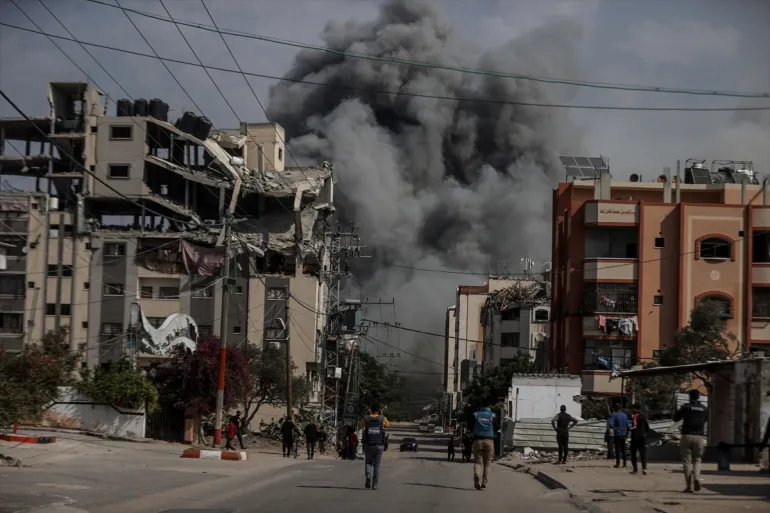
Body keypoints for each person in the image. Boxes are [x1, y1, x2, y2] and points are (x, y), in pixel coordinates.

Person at [674, 389, 708, 493]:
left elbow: (675, 418)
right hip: (699, 436)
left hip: (687, 435)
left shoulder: (686, 407)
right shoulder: (704, 408)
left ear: (690, 396)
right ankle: (697, 478)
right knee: (697, 459)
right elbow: (705, 420)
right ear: (698, 397)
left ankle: (689, 486)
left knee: (687, 462)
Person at [360, 403, 390, 490]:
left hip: (368, 445)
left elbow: (361, 425)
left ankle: (368, 474)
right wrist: (382, 415)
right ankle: (375, 484)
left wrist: (367, 415)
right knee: (377, 465)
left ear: (370, 410)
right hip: (379, 445)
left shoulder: (366, 418)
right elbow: (387, 425)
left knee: (368, 462)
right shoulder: (382, 418)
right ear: (379, 410)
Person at [471, 401, 496, 490]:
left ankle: (476, 477)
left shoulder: (476, 414)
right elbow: (496, 427)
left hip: (478, 440)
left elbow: (471, 425)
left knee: (478, 462)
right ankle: (484, 482)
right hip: (489, 440)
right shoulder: (492, 415)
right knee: (487, 463)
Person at [629, 403, 649, 475]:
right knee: (643, 454)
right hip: (643, 438)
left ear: (635, 409)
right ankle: (644, 469)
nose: (631, 410)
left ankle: (635, 469)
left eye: (632, 409)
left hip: (635, 438)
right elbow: (647, 427)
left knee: (633, 453)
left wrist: (630, 429)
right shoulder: (643, 416)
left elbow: (634, 426)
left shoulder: (635, 416)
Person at [608, 404, 629, 468]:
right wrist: (626, 435)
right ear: (621, 408)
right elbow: (627, 426)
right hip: (623, 433)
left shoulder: (614, 415)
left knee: (617, 449)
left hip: (617, 434)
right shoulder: (625, 415)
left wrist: (614, 428)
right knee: (623, 449)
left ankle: (618, 463)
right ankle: (625, 463)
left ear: (615, 409)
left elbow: (610, 424)